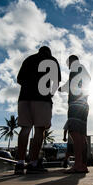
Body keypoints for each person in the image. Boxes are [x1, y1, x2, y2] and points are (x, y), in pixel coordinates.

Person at [14, 46, 61, 174]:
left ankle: (19, 163)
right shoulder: (52, 60)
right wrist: (49, 95)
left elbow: (19, 80)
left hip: (24, 98)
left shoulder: (28, 59)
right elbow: (56, 82)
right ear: (48, 52)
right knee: (39, 130)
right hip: (41, 99)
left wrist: (29, 86)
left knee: (25, 128)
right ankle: (33, 163)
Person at [59, 55, 91, 174]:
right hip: (84, 105)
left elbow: (69, 85)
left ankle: (77, 165)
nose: (68, 66)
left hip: (75, 105)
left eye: (68, 64)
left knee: (75, 133)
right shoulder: (83, 70)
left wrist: (59, 89)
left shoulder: (75, 68)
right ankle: (83, 164)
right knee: (82, 135)